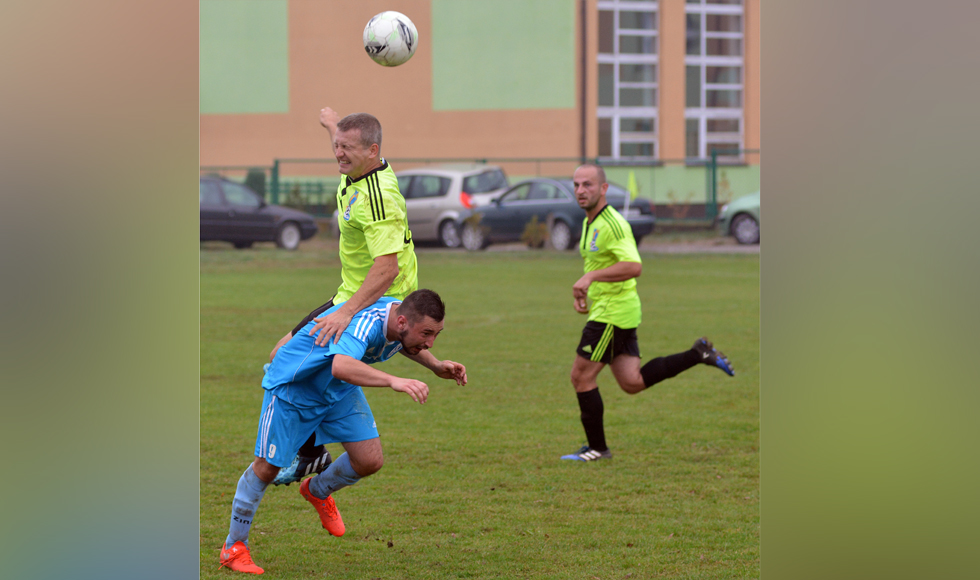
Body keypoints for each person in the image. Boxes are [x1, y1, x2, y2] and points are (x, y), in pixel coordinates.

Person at [219, 289, 468, 574]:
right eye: (427, 333)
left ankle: (317, 490)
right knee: (267, 468)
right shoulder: (367, 323)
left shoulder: (398, 319)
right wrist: (393, 380)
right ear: (402, 322)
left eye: (436, 334)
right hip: (295, 388)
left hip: (337, 390)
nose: (430, 342)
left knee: (369, 459)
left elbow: (404, 342)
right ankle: (233, 547)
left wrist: (435, 365)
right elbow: (341, 365)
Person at [270, 106, 419, 486]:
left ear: (372, 151)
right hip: (352, 293)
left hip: (378, 298)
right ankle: (313, 453)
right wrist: (332, 126)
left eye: (346, 148)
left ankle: (311, 454)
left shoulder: (377, 196)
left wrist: (346, 312)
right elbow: (347, 144)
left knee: (294, 361)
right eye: (336, 145)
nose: (338, 153)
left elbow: (388, 268)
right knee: (287, 359)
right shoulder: (357, 170)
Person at [561, 164, 735, 462]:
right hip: (614, 309)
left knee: (581, 377)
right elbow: (601, 264)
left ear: (603, 188)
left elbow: (634, 266)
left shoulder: (613, 224)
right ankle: (698, 353)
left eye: (587, 184)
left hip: (612, 314)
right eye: (576, 185)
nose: (580, 190)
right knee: (632, 382)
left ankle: (597, 449)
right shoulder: (591, 222)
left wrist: (589, 278)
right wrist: (585, 290)